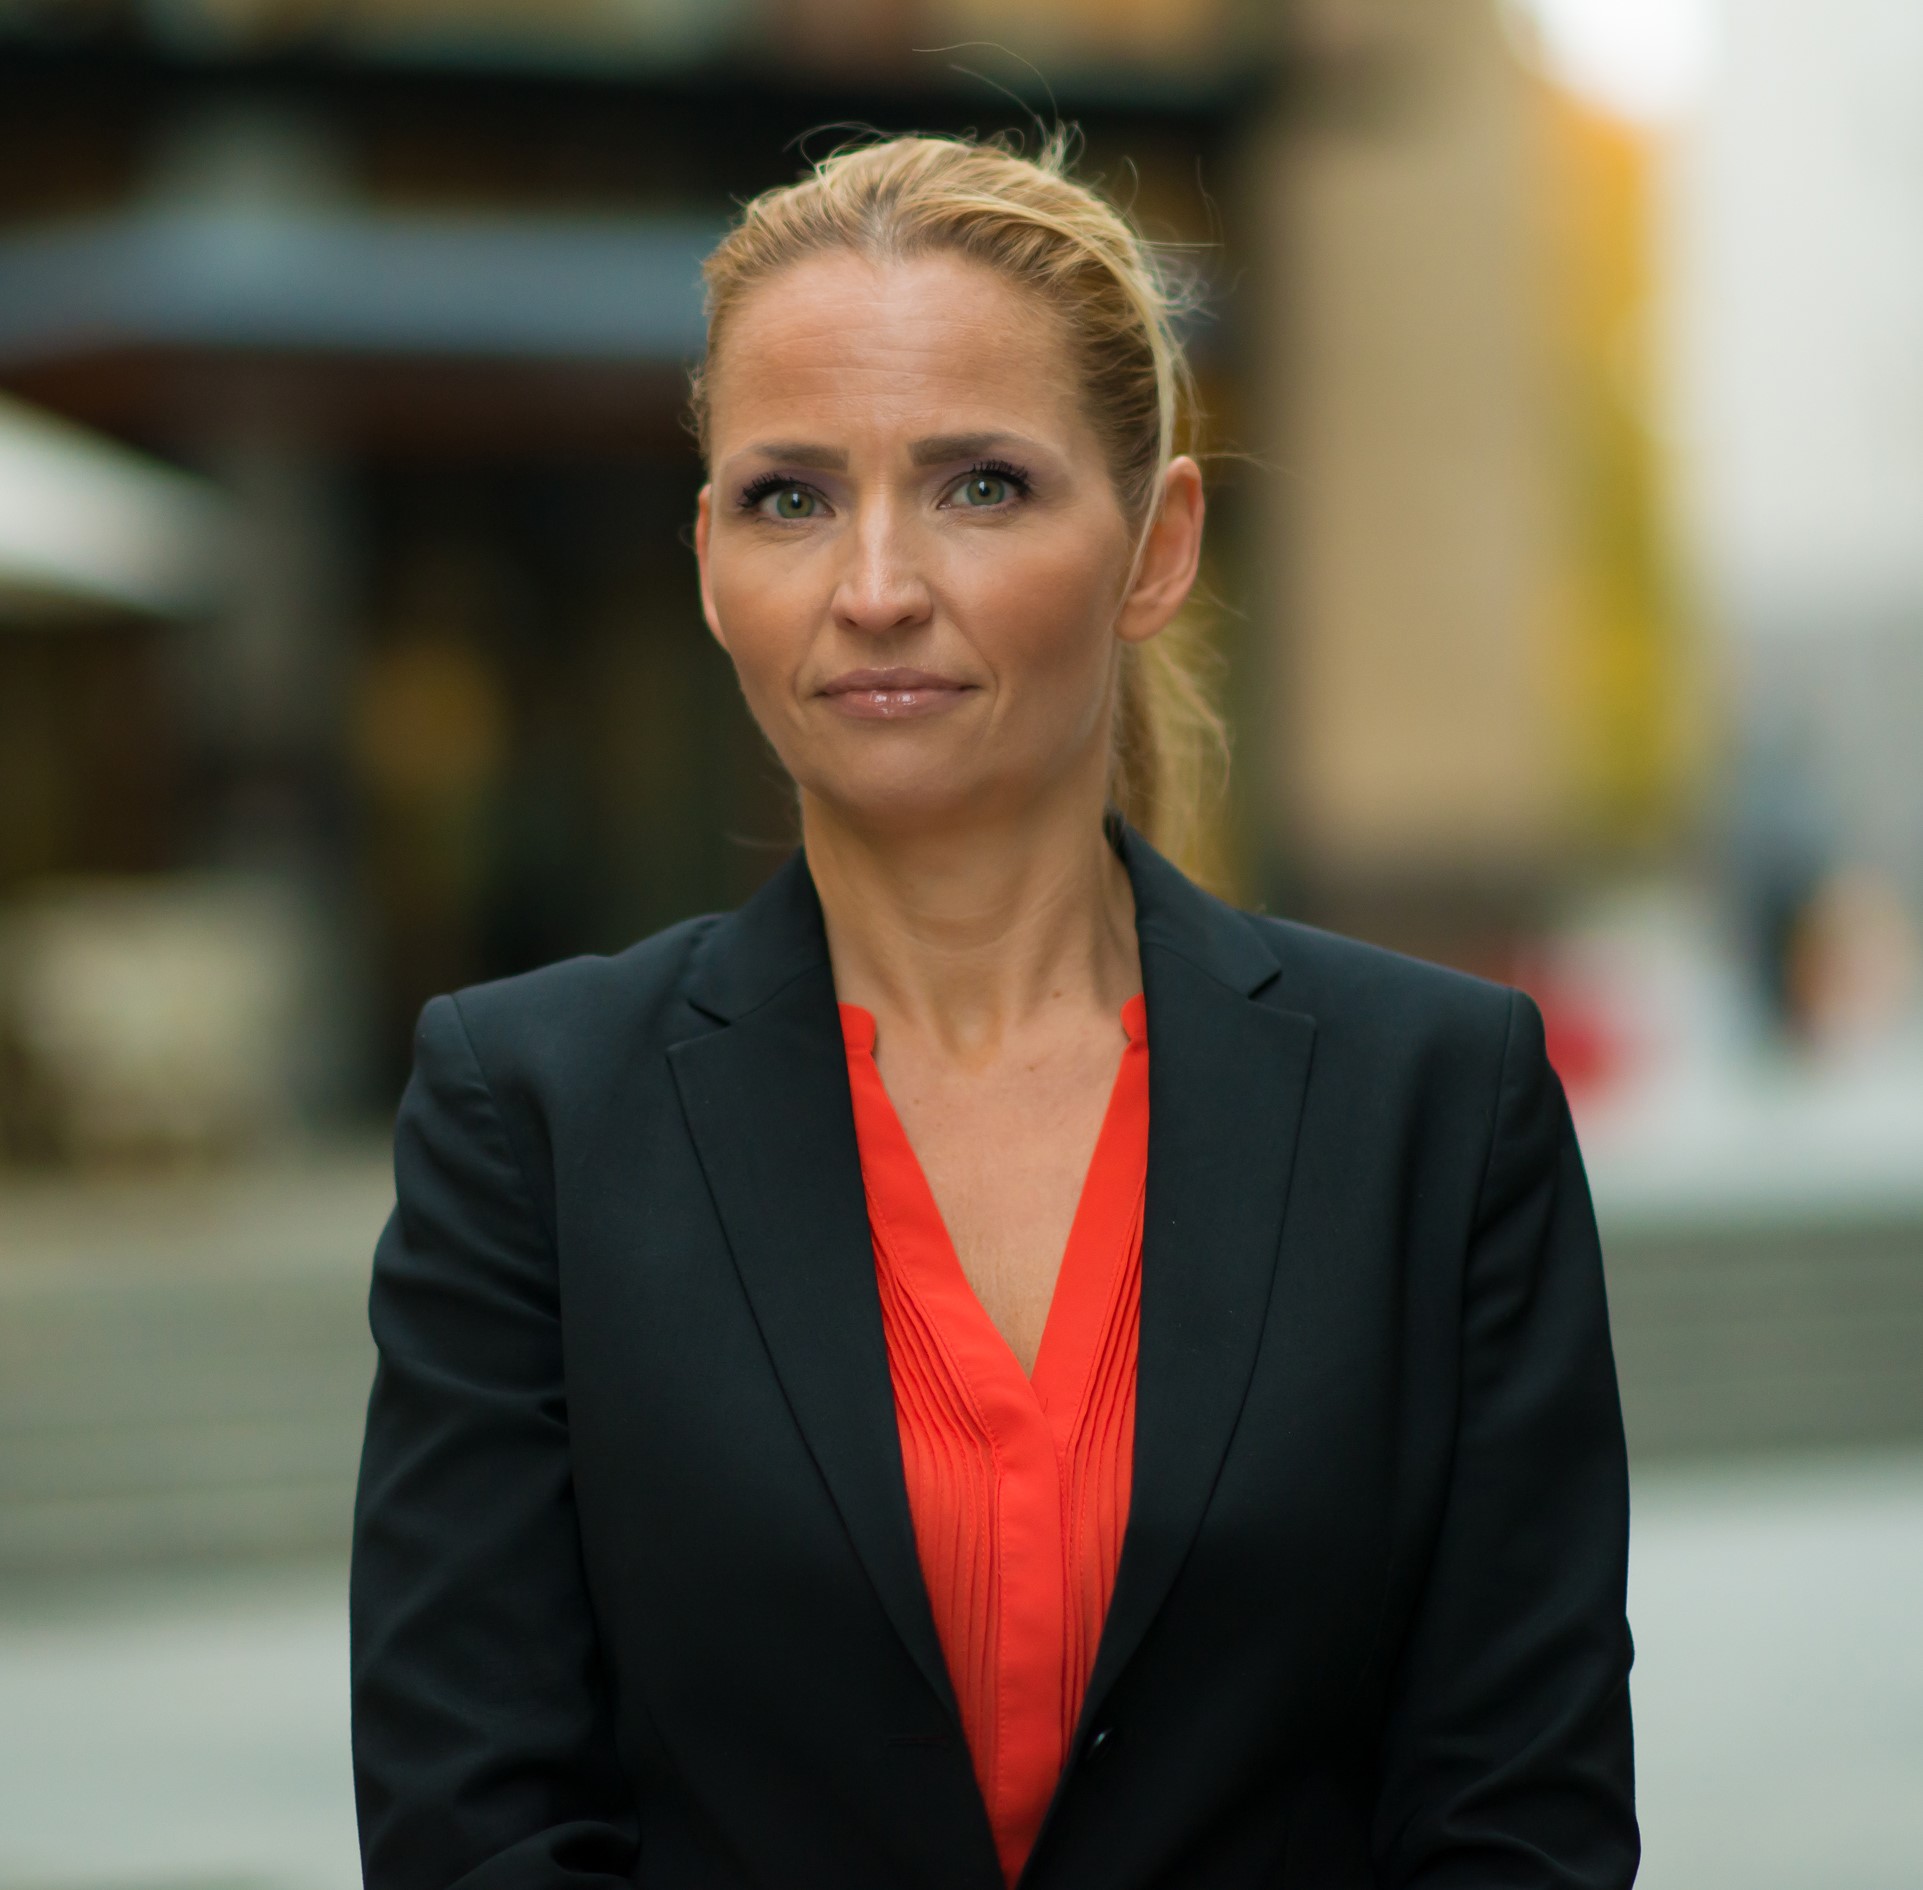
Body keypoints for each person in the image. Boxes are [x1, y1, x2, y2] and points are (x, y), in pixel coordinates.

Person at [349, 130, 1638, 1890]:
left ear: (1157, 546)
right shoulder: (527, 1117)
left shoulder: (1439, 1103)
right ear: (710, 561)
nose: (876, 586)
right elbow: (477, 1829)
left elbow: (1520, 1820)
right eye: (789, 497)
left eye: (981, 485)